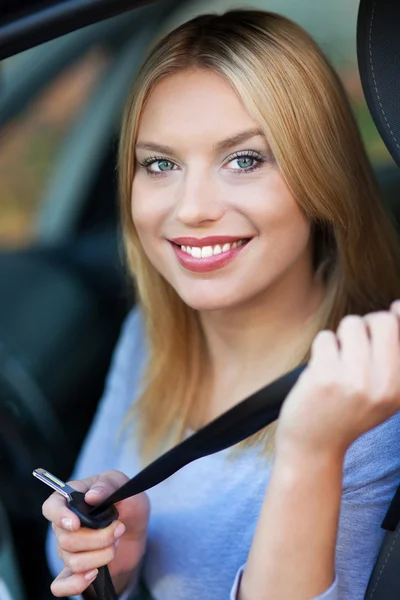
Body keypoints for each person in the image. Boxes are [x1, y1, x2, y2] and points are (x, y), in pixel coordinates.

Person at [43, 9, 400, 600]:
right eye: (160, 164)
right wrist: (116, 568)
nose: (191, 208)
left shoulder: (370, 402)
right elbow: (61, 564)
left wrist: (311, 451)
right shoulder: (151, 334)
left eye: (244, 160)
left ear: (322, 175)